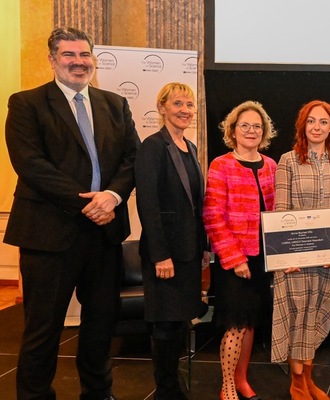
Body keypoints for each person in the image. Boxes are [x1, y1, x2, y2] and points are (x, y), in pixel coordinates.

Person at [4, 27, 139, 400]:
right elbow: (31, 165)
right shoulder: (25, 104)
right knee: (43, 329)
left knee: (100, 326)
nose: (78, 63)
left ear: (93, 59)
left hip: (104, 234)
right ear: (52, 60)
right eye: (69, 55)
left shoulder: (115, 104)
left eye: (84, 55)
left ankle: (98, 393)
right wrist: (89, 204)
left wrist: (111, 196)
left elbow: (133, 158)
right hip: (49, 234)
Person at [271, 100, 330, 400]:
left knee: (317, 317)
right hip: (294, 259)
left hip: (327, 259)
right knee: (297, 318)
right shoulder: (288, 161)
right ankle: (297, 383)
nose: (317, 127)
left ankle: (308, 379)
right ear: (303, 126)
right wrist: (285, 256)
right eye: (311, 122)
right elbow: (281, 211)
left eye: (323, 122)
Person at [135, 82, 209, 399]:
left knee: (179, 321)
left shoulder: (190, 148)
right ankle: (165, 389)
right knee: (164, 325)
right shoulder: (152, 146)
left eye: (189, 105)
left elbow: (197, 204)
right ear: (162, 107)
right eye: (177, 103)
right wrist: (160, 254)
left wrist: (204, 246)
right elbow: (148, 204)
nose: (184, 110)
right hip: (166, 255)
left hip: (190, 253)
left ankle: (172, 384)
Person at [204, 101, 278, 400]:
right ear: (233, 130)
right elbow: (212, 216)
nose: (251, 131)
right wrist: (235, 258)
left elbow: (279, 213)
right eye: (244, 125)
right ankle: (228, 386)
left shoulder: (272, 165)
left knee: (251, 323)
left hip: (263, 258)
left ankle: (242, 378)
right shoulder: (221, 165)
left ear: (264, 132)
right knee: (235, 324)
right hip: (234, 260)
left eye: (256, 126)